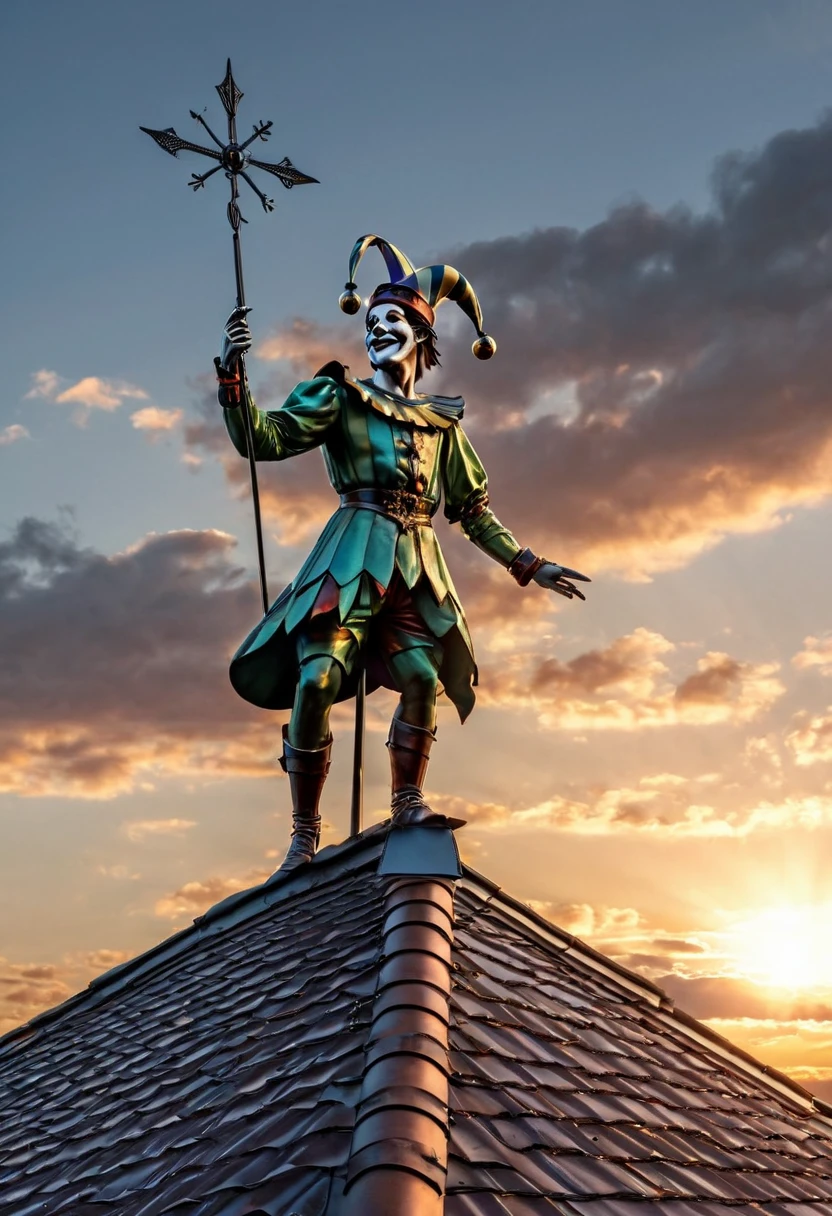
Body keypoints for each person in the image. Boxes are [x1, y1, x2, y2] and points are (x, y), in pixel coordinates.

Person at [216, 234, 589, 871]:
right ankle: (304, 835)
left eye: (393, 321)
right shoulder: (339, 396)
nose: (378, 331)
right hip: (352, 555)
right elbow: (266, 439)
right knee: (317, 677)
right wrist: (233, 381)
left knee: (422, 679)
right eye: (370, 323)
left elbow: (472, 511)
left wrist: (529, 564)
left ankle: (407, 801)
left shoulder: (443, 426)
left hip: (416, 564)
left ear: (420, 335)